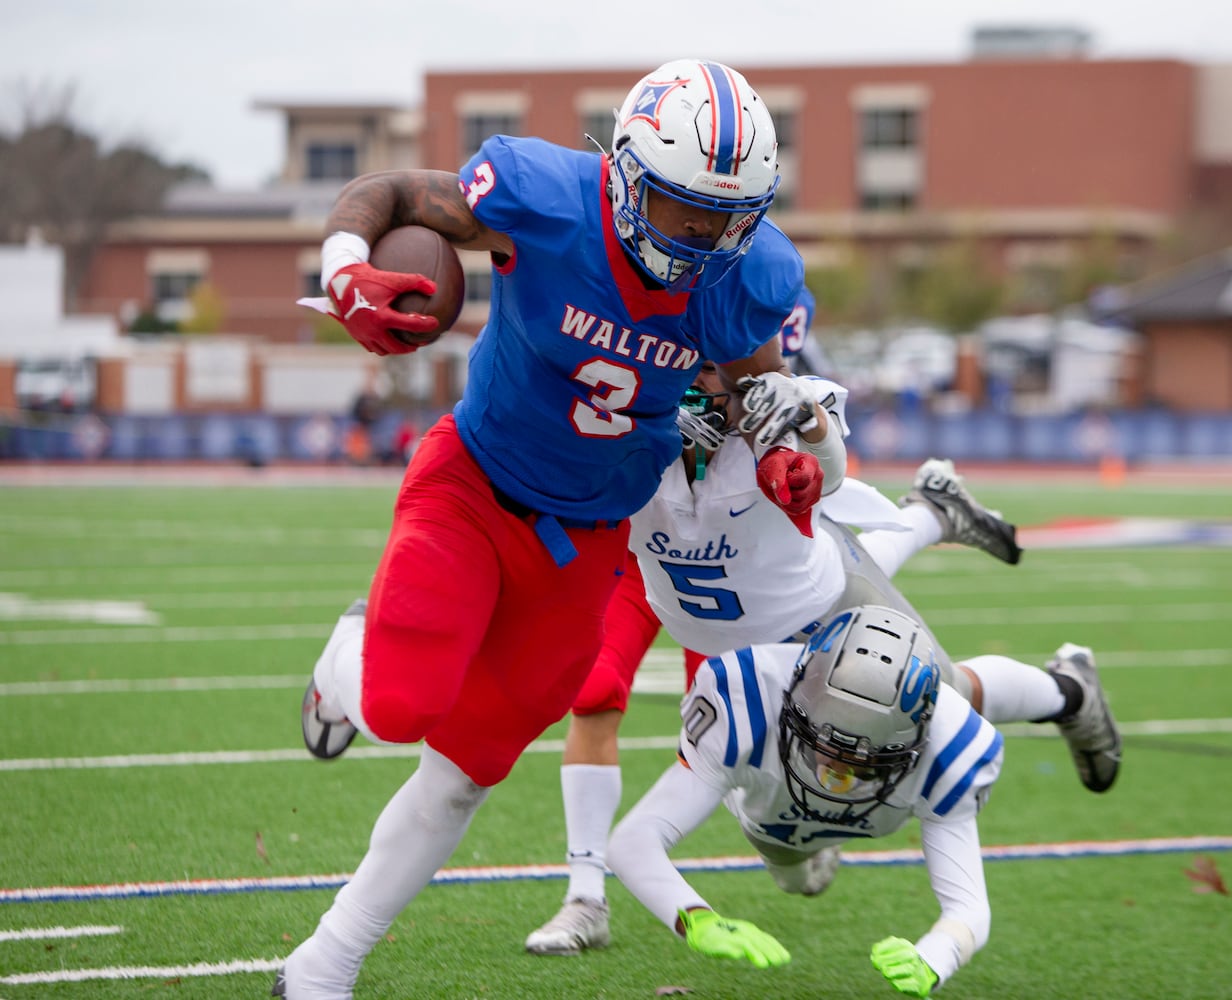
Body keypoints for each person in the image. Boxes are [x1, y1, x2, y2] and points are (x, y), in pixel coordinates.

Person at [276, 59, 817, 999]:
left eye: (729, 220)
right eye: (687, 214)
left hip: (592, 543)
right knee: (403, 709)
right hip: (474, 490)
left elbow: (750, 388)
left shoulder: (745, 264)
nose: (705, 241)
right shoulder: (545, 196)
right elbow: (391, 190)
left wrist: (770, 445)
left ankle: (323, 966)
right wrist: (346, 271)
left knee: (467, 772)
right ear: (628, 174)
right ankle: (349, 656)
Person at [523, 361, 1118, 956]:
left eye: (706, 371)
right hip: (733, 636)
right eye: (682, 369)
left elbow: (825, 473)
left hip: (826, 605)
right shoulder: (620, 426)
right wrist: (640, 446)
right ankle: (933, 512)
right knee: (782, 849)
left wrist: (800, 420)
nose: (693, 387)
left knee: (938, 695)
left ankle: (1069, 691)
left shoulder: (768, 407)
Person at [606, 605, 1100, 997]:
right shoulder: (747, 698)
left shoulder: (950, 747)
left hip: (880, 784)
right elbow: (633, 842)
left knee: (953, 681)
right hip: (770, 814)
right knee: (795, 877)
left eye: (865, 759)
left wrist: (935, 955)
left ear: (913, 740)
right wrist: (694, 917)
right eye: (824, 744)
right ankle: (928, 514)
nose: (835, 774)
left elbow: (969, 910)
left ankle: (1071, 691)